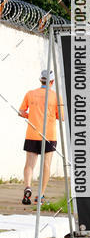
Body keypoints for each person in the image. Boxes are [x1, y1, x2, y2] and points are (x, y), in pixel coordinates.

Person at [19, 69, 63, 205]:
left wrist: (29, 115)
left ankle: (27, 187)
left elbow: (21, 112)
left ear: (40, 80)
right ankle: (40, 196)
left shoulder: (30, 94)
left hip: (32, 133)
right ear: (52, 81)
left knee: (29, 165)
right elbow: (61, 117)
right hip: (49, 135)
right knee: (46, 165)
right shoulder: (56, 96)